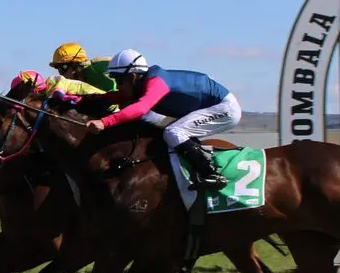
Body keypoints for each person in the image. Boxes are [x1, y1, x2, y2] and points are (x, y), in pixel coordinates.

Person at [81, 48, 241, 188]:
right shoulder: (141, 84)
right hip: (209, 106)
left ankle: (211, 173)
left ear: (133, 76)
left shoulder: (156, 83)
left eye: (119, 80)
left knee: (173, 132)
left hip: (225, 108)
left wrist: (104, 122)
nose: (118, 85)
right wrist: (82, 99)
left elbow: (140, 108)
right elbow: (117, 96)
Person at [49, 43, 118, 93]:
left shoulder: (98, 66)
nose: (61, 75)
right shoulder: (71, 88)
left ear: (75, 65)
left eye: (63, 68)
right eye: (58, 69)